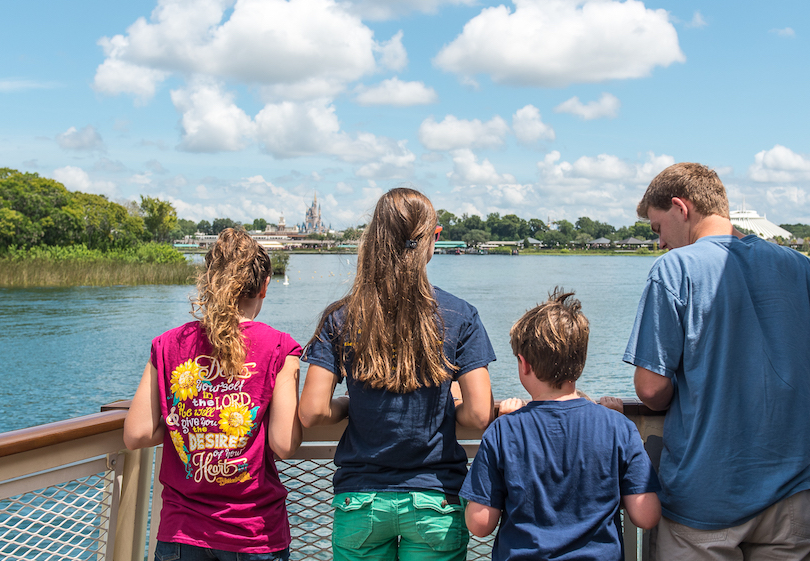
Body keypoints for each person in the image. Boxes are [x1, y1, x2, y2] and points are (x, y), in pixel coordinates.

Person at [623, 162, 810, 559]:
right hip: (791, 497)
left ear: (680, 207)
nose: (660, 243)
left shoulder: (674, 270)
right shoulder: (798, 266)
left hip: (702, 499)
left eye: (657, 228)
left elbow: (651, 389)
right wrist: (800, 384)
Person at [299, 187, 496, 561]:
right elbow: (479, 414)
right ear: (432, 239)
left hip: (361, 500)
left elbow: (310, 412)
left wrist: (347, 405)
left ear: (375, 239)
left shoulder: (340, 317)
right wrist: (450, 403)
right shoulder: (460, 314)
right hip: (434, 498)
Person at [125, 228, 302, 561]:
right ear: (264, 287)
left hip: (182, 533)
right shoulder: (279, 346)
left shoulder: (168, 345)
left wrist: (188, 424)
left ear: (209, 281)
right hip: (254, 531)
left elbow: (137, 434)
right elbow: (284, 444)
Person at [461, 290, 661, 561]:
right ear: (580, 362)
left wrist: (504, 423)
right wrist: (617, 421)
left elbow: (480, 523)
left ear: (524, 364)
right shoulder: (618, 428)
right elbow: (646, 515)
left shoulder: (504, 431)